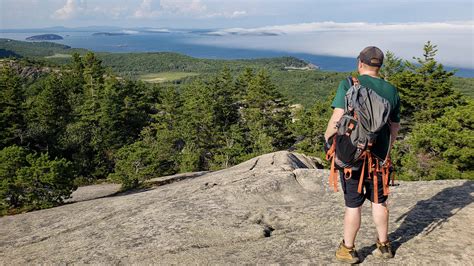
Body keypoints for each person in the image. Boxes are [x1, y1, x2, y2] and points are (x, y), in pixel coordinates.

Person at [324, 46, 401, 263]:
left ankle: (348, 249)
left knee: (353, 205)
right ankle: (384, 246)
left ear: (360, 63)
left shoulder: (349, 84)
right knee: (379, 202)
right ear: (380, 66)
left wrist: (328, 139)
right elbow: (394, 127)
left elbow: (337, 118)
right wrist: (387, 150)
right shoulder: (391, 90)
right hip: (378, 159)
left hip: (353, 156)